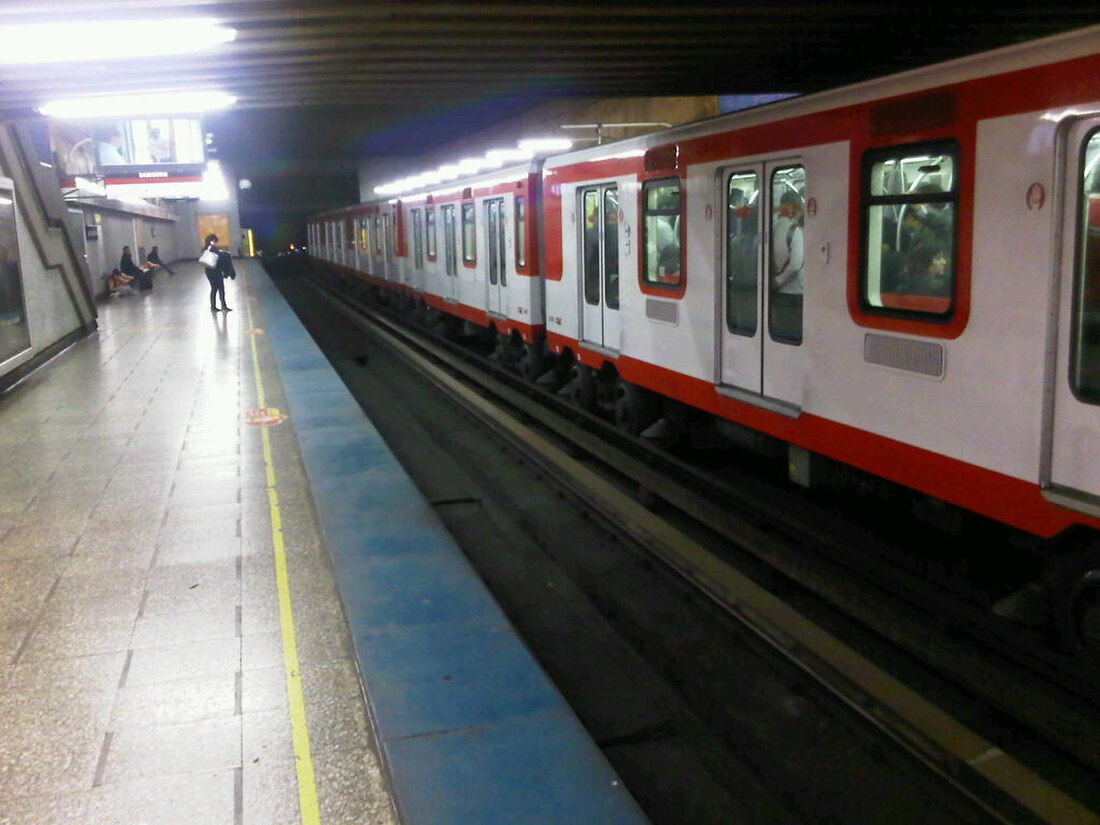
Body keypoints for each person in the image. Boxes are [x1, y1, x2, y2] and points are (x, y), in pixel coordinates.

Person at [771, 189, 804, 295]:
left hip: (774, 286)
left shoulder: (772, 226)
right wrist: (779, 280)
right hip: (792, 289)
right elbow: (795, 264)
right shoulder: (795, 230)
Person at [202, 233, 231, 312]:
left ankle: (213, 307)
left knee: (214, 288)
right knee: (221, 288)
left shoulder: (205, 247)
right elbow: (219, 257)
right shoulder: (213, 247)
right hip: (216, 270)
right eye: (216, 240)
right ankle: (224, 306)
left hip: (208, 271)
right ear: (213, 240)